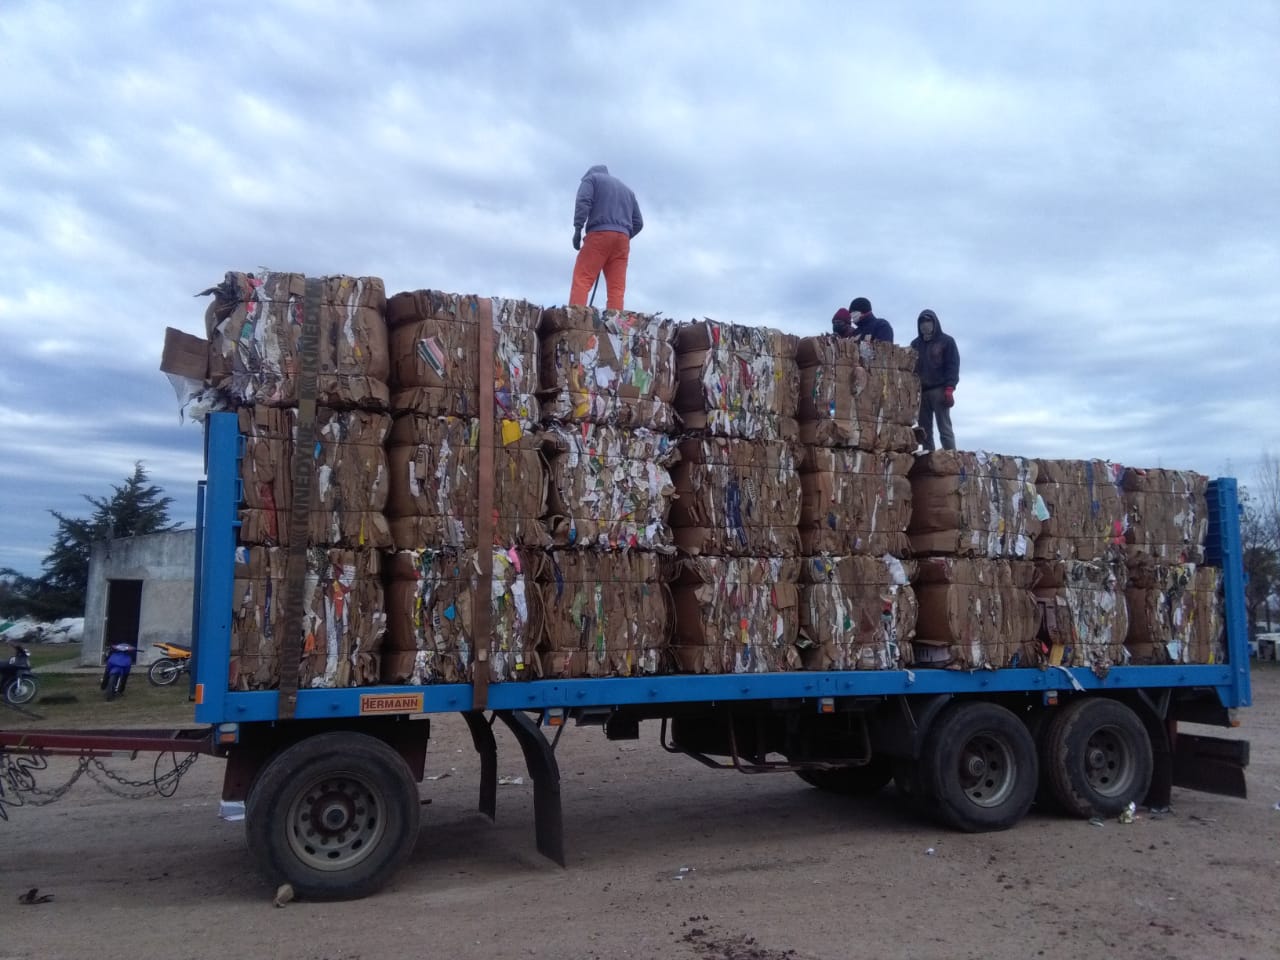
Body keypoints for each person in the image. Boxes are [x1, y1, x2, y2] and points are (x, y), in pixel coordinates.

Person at [568, 164, 643, 311]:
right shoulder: (628, 191)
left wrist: (578, 229)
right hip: (623, 241)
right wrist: (622, 235)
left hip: (599, 235)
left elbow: (583, 201)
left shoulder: (591, 180)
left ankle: (575, 318)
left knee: (582, 279)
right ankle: (614, 323)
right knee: (616, 288)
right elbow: (638, 223)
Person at [911, 308, 960, 451]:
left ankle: (951, 457)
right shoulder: (915, 344)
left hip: (940, 390)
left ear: (935, 322)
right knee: (924, 430)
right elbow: (911, 368)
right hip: (921, 391)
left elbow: (953, 365)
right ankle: (928, 459)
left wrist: (950, 388)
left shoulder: (947, 341)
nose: (924, 325)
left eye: (928, 321)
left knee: (944, 428)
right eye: (921, 322)